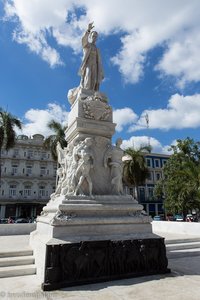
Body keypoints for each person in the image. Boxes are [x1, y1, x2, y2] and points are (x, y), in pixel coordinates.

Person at [79, 22, 104, 91]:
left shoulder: (97, 49)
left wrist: (101, 71)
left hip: (95, 65)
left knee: (94, 79)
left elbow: (99, 61)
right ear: (90, 37)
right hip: (88, 64)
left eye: (96, 37)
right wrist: (88, 30)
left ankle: (92, 92)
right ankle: (86, 92)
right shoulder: (87, 45)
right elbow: (83, 40)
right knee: (88, 76)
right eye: (93, 36)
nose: (94, 38)